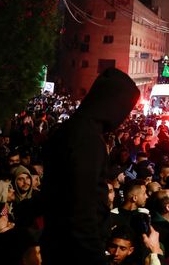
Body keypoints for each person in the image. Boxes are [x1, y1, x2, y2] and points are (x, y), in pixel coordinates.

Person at [41, 68, 140, 265]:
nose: (125, 118)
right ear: (112, 104)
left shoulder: (75, 130)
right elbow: (82, 210)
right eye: (125, 110)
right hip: (73, 252)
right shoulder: (87, 139)